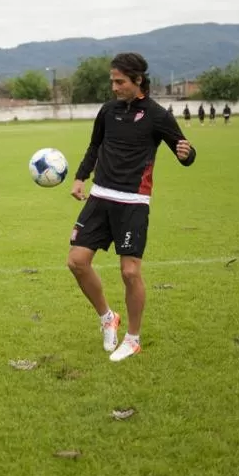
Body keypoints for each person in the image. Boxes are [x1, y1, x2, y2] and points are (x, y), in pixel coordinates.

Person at [67, 53, 196, 362]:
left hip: (133, 202)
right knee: (77, 261)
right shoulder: (108, 111)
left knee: (129, 272)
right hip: (100, 197)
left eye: (120, 81)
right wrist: (80, 177)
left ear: (138, 81)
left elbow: (185, 151)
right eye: (112, 81)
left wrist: (186, 154)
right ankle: (107, 317)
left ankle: (133, 338)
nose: (114, 87)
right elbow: (94, 146)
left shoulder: (158, 115)